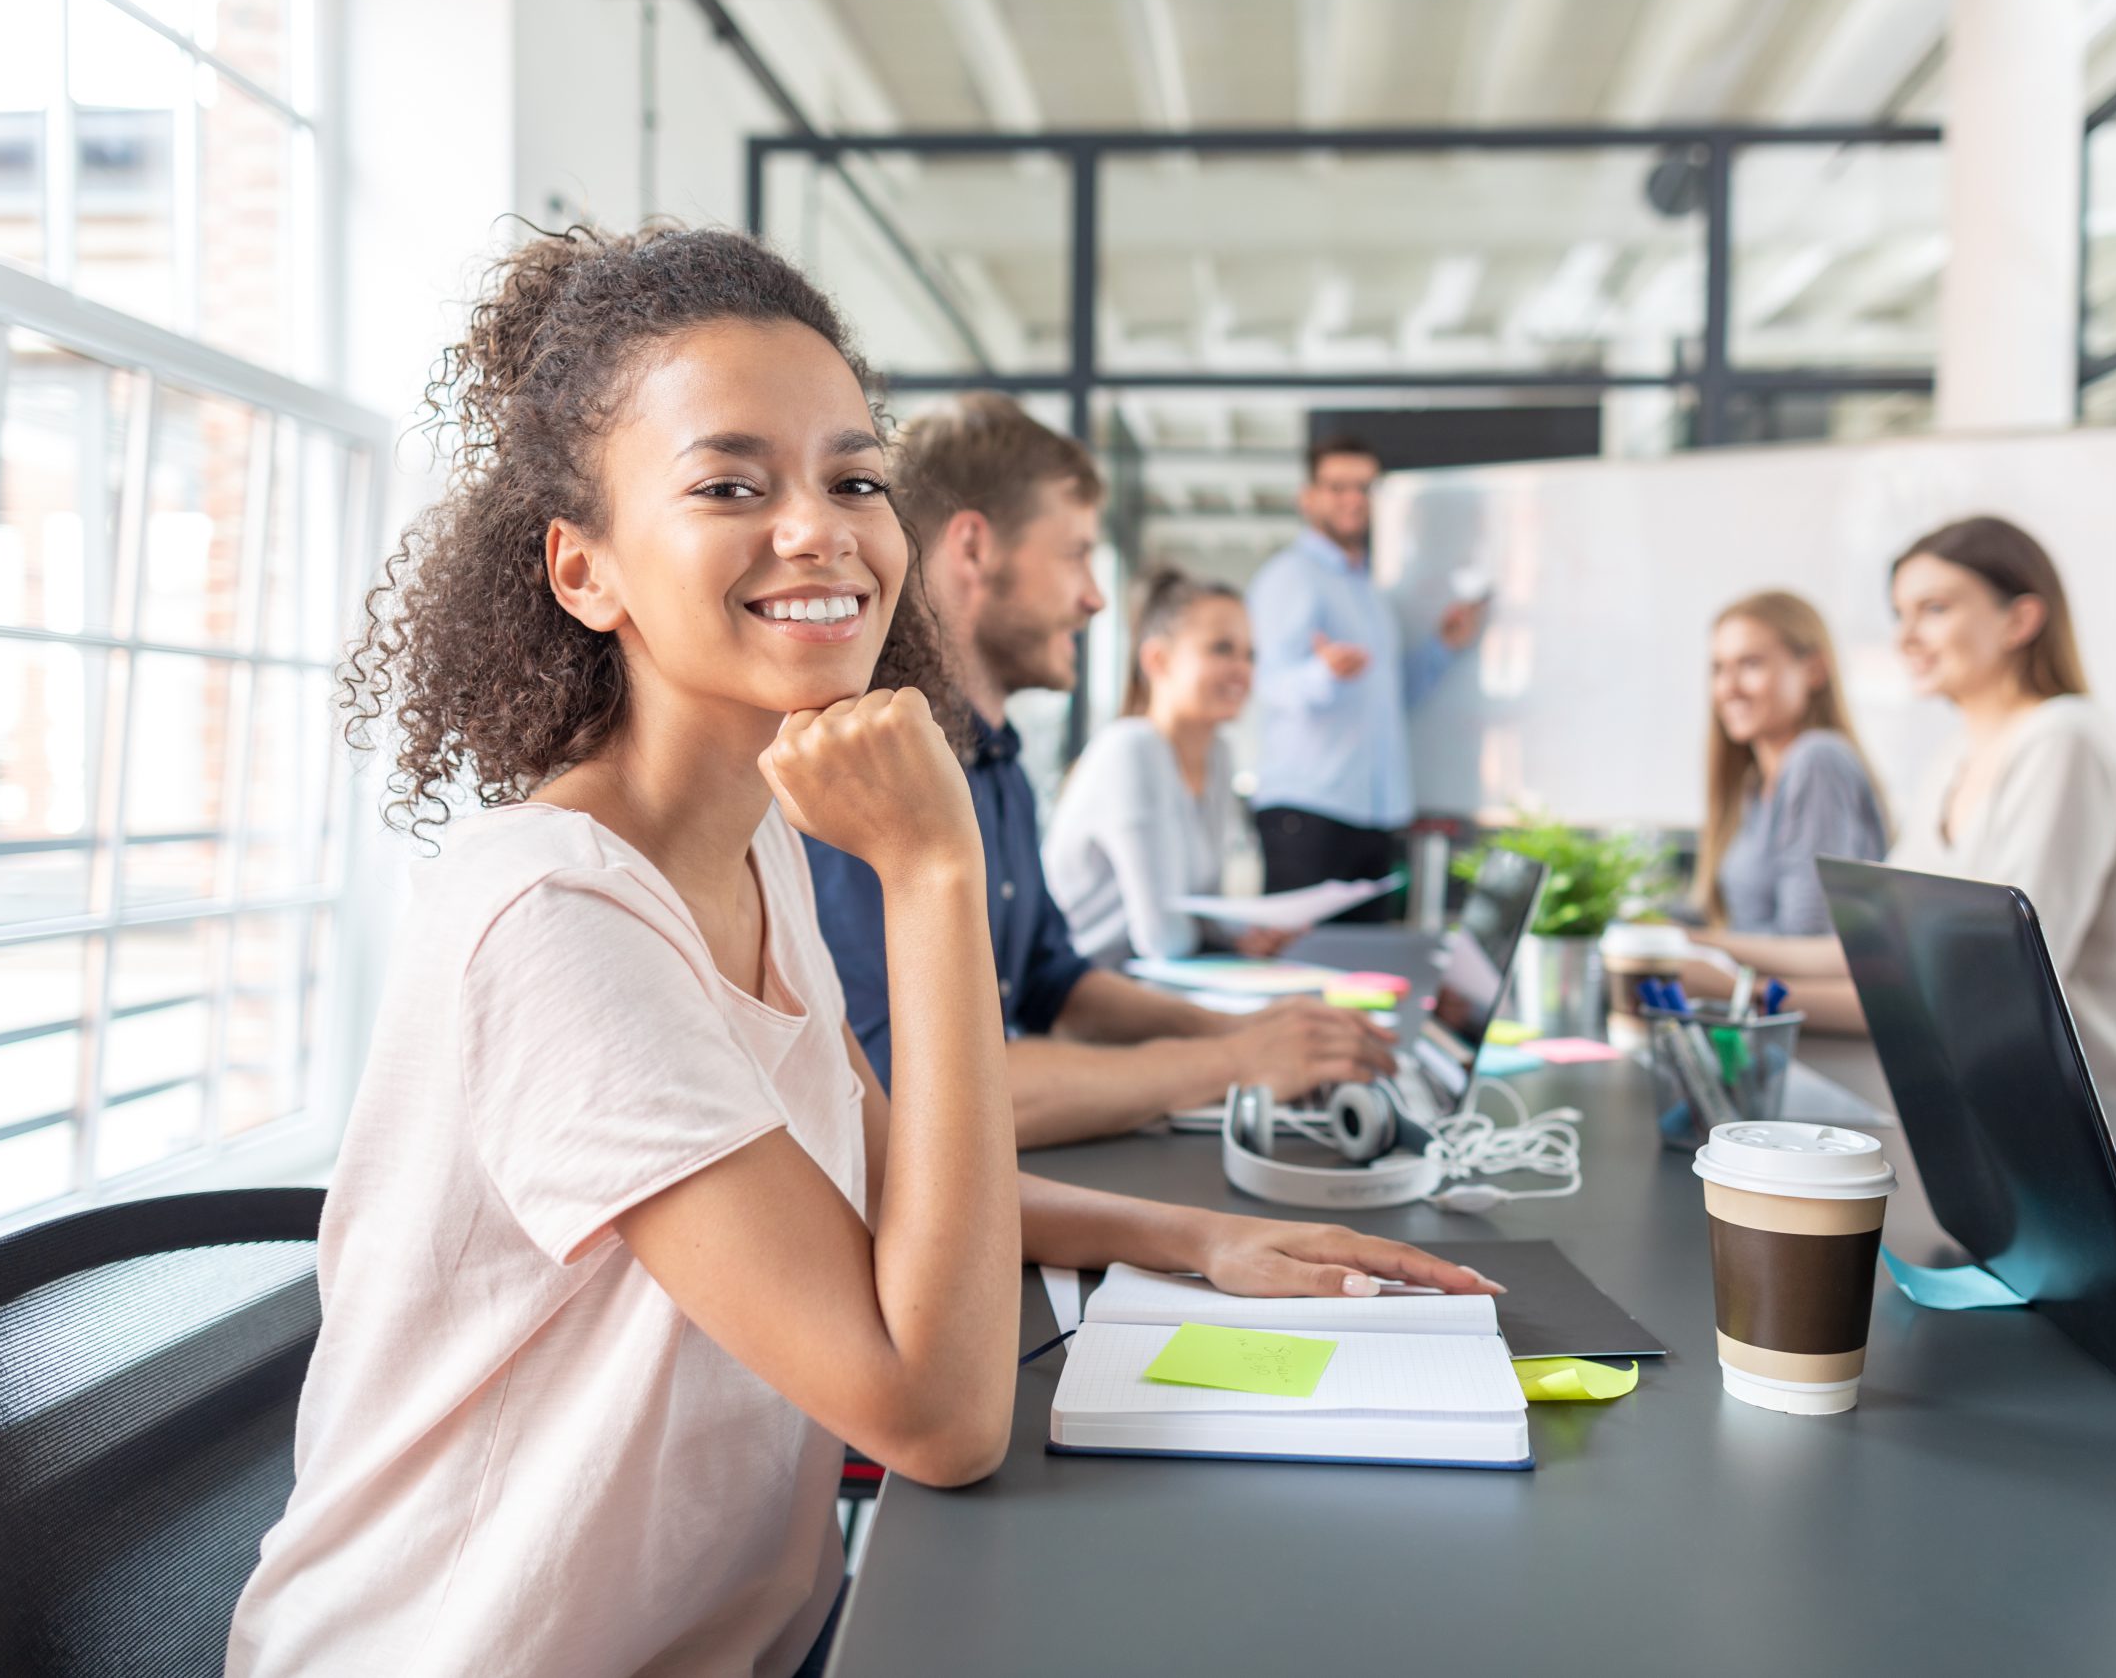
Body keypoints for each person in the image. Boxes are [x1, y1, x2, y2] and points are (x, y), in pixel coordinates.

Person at [224, 227, 1499, 1678]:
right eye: (729, 484)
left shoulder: (751, 837)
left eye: (853, 477)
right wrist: (933, 870)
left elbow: (900, 1174)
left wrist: (1198, 1237)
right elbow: (936, 1414)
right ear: (586, 572)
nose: (821, 528)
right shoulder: (557, 921)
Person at [807, 394, 1395, 1149]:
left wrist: (1249, 1032)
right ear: (975, 549)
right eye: (1077, 552)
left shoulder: (998, 759)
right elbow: (910, 1094)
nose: (1096, 595)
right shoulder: (868, 776)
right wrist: (1228, 1058)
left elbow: (1055, 983)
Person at [1702, 516, 2116, 1125]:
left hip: (2112, 1127)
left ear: (2019, 620)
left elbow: (1999, 990)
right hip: (1997, 1111)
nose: (1906, 637)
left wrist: (1741, 991)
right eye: (1900, 614)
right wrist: (1707, 948)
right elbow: (1874, 946)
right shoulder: (1953, 762)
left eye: (1933, 608)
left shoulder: (2064, 741)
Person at [1247, 434, 1486, 917]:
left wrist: (1443, 647)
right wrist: (1323, 672)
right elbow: (1269, 683)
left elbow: (1390, 697)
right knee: (1304, 972)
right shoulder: (1290, 577)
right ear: (1308, 496)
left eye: (1364, 487)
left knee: (1364, 976)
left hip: (1372, 817)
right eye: (1337, 487)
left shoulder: (1371, 597)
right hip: (1310, 813)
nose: (1353, 499)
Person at [1044, 566, 1289, 968]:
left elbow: (1201, 911)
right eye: (1222, 649)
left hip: (1150, 982)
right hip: (1085, 994)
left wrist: (1246, 939)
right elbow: (1163, 938)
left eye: (1250, 654)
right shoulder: (1132, 750)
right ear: (1158, 659)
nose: (1242, 670)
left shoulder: (1219, 754)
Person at [1691, 590, 1886, 938]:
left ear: (1813, 670)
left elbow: (1806, 937)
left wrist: (1697, 946)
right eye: (1719, 669)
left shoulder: (1818, 760)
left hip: (1786, 991)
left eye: (1750, 664)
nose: (1728, 688)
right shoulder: (1754, 783)